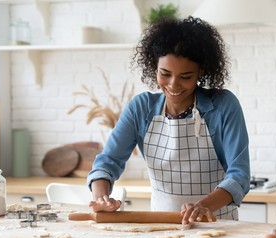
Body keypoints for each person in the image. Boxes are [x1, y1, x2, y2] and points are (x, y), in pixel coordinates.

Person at [87, 16, 250, 225]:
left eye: (186, 76)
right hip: (161, 226)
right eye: (165, 74)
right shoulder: (141, 108)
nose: (174, 85)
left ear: (201, 71)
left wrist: (203, 206)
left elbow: (239, 175)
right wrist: (101, 197)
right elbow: (107, 162)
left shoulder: (223, 106)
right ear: (154, 66)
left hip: (217, 224)